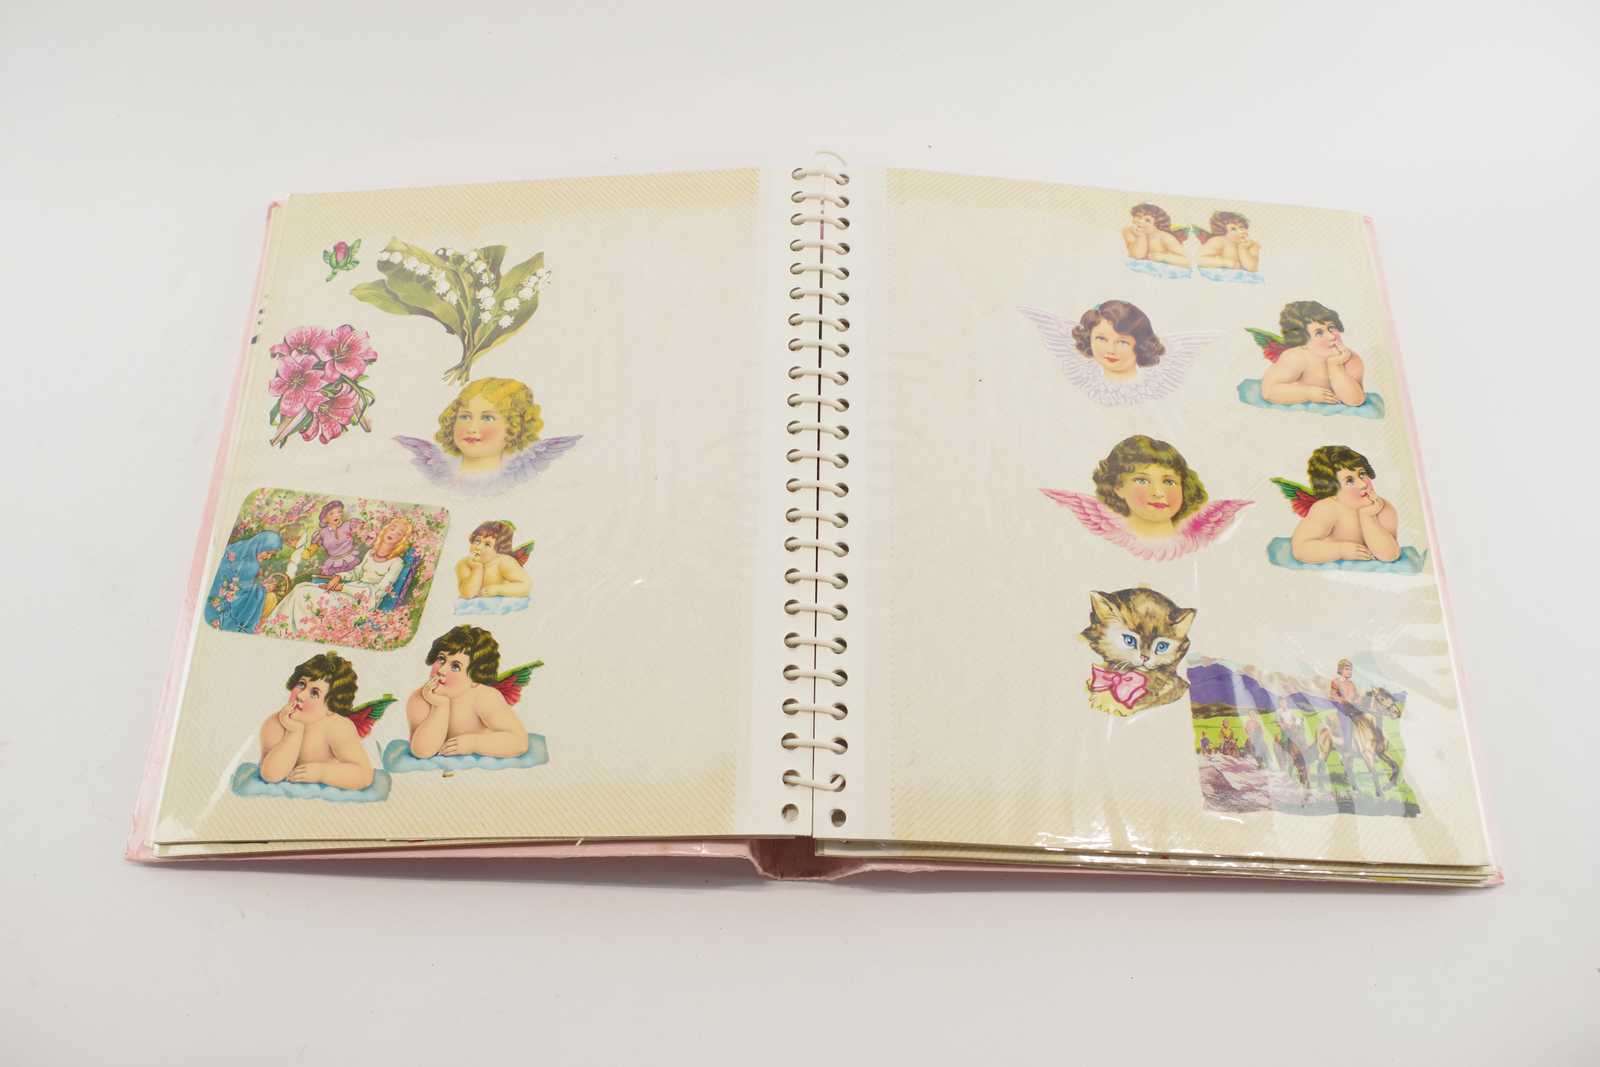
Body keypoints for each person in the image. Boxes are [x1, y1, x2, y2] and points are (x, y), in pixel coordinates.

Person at [264, 517, 415, 631]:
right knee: (300, 587)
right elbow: (356, 573)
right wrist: (339, 577)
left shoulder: (397, 563)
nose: (393, 533)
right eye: (392, 528)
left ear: (401, 541)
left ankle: (301, 630)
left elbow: (379, 592)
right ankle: (278, 627)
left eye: (399, 533)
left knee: (305, 594)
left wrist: (343, 588)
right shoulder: (371, 553)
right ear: (386, 530)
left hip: (362, 603)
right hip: (347, 591)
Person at [405, 625, 530, 759]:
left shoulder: (484, 697)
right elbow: (422, 752)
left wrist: (473, 744)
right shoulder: (420, 698)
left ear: (475, 679)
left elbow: (519, 743)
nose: (441, 670)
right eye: (441, 659)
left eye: (455, 667)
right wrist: (440, 706)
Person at [256, 652, 375, 790]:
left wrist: (322, 773)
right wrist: (294, 732)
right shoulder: (275, 723)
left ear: (331, 707)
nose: (301, 695)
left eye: (314, 693)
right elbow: (270, 775)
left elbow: (364, 775)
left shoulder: (337, 727)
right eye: (301, 684)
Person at [1287, 446, 1400, 564]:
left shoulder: (1383, 508)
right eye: (1349, 481)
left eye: (1362, 474)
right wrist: (1341, 550)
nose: (1362, 484)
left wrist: (1368, 517)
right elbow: (1300, 549)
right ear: (1332, 490)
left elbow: (1389, 555)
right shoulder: (1327, 509)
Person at [1259, 301, 1366, 407]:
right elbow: (1268, 391)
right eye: (1319, 333)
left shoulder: (1349, 358)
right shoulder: (1296, 357)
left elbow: (1355, 400)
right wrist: (1308, 394)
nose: (1332, 336)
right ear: (1302, 341)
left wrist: (1335, 365)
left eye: (1331, 328)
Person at [204, 531, 282, 633]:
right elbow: (236, 584)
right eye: (268, 553)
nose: (268, 557)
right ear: (261, 545)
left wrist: (260, 585)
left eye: (271, 555)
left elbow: (244, 580)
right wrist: (261, 588)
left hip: (230, 591)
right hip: (228, 596)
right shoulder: (248, 562)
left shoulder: (244, 550)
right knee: (268, 597)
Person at [455, 521, 531, 599]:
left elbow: (526, 586)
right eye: (477, 541)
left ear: (499, 550)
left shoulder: (504, 562)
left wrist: (497, 590)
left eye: (487, 544)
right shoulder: (464, 563)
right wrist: (477, 568)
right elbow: (467, 594)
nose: (478, 547)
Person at [1121, 203, 1191, 268]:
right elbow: (1137, 256)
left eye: (1147, 220)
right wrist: (1141, 236)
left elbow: (1186, 261)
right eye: (1138, 217)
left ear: (1157, 225)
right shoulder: (1129, 231)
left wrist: (1163, 257)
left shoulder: (1165, 237)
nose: (1140, 221)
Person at [1195, 210, 1261, 272]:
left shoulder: (1252, 244)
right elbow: (1200, 259)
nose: (1240, 231)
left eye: (1241, 227)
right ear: (1223, 232)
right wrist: (1226, 263)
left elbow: (1252, 268)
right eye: (1233, 229)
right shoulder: (1220, 240)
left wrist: (1243, 248)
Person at [309, 500, 361, 577]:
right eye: (331, 513)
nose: (336, 515)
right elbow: (312, 549)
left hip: (351, 561)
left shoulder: (349, 525)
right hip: (333, 565)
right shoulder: (321, 533)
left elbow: (362, 535)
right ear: (325, 518)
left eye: (339, 512)